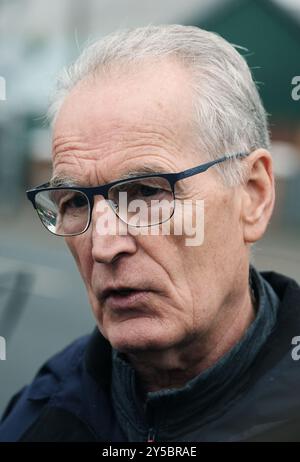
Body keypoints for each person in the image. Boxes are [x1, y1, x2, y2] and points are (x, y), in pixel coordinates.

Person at [1, 25, 300, 442]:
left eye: (144, 192)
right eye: (75, 202)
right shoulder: (38, 419)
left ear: (253, 196)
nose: (104, 246)